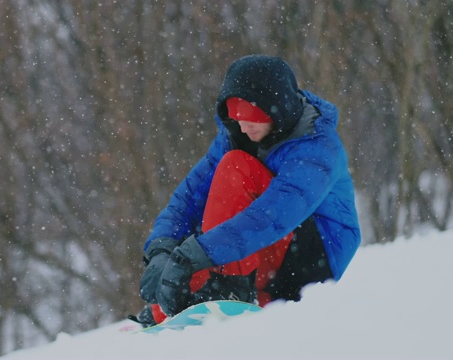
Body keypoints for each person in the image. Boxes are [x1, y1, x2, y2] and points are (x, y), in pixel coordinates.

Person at [133, 55, 361, 326]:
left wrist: (197, 255)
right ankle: (168, 312)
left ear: (276, 109)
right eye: (235, 113)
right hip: (261, 264)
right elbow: (188, 199)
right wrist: (162, 249)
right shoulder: (235, 136)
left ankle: (227, 291)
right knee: (192, 244)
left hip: (310, 260)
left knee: (234, 171)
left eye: (251, 114)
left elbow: (273, 216)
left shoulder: (318, 148)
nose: (243, 124)